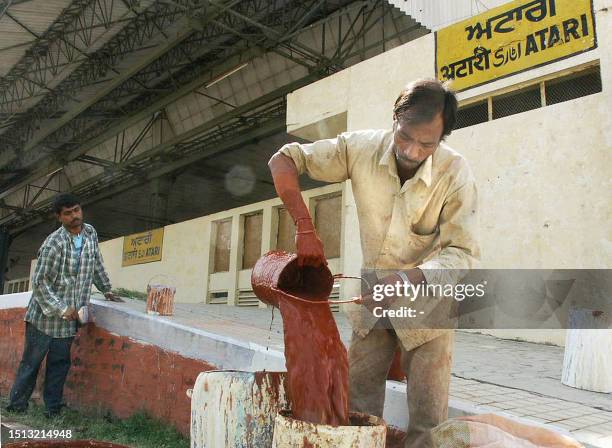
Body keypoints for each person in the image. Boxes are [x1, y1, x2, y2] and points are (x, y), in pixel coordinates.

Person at [268, 79, 480, 447]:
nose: (412, 151)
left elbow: (463, 255)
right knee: (357, 405)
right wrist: (304, 227)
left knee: (428, 422)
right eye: (405, 136)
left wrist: (405, 279)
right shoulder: (360, 148)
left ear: (442, 138)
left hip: (429, 304)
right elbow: (284, 159)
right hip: (372, 298)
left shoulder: (456, 173)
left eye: (426, 144)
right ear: (395, 118)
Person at [5, 193, 123, 418]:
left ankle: (53, 408)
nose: (74, 216)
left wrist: (106, 289)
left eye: (77, 210)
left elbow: (96, 263)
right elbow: (39, 282)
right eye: (68, 213)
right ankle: (16, 406)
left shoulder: (90, 233)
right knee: (31, 363)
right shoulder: (53, 243)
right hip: (44, 318)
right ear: (59, 217)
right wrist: (61, 308)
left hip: (70, 320)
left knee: (60, 363)